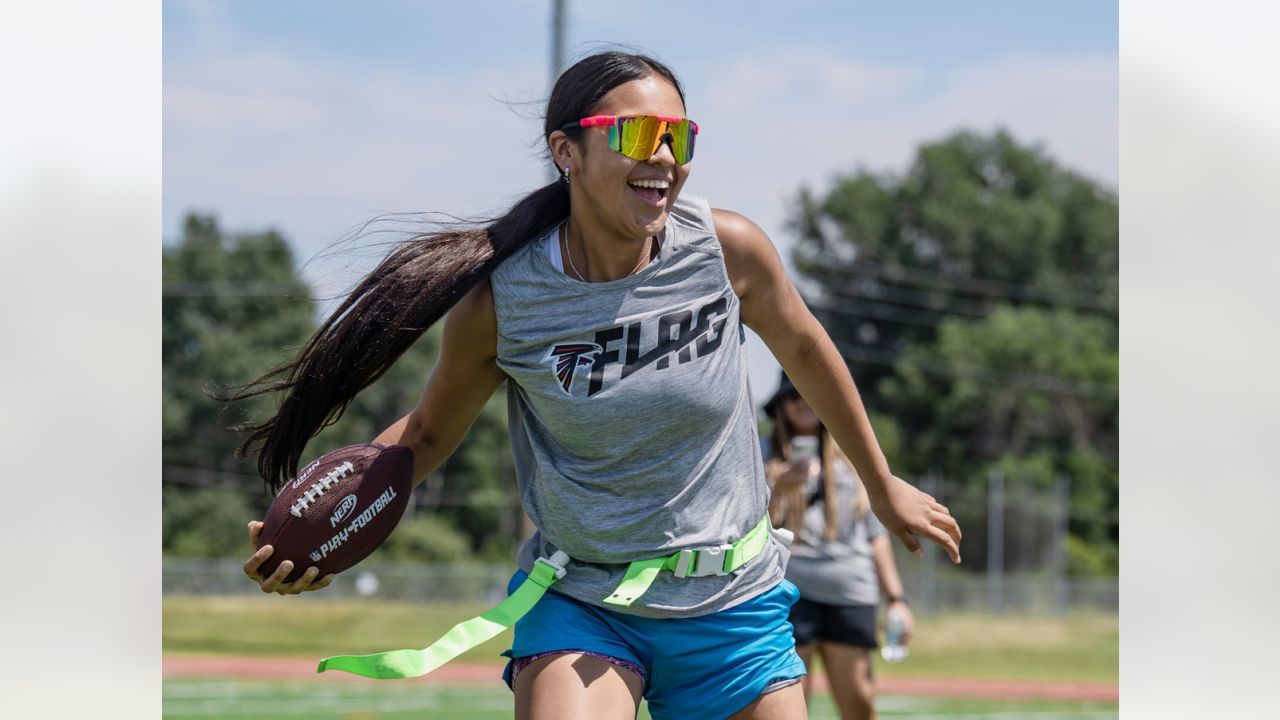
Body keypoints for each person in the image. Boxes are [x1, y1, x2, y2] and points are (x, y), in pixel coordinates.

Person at [233, 51, 961, 720]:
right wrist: (318, 531)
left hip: (732, 603)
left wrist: (881, 481)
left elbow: (805, 345)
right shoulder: (502, 302)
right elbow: (423, 436)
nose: (665, 158)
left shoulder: (724, 249)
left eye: (682, 137)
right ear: (566, 152)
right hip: (587, 600)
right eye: (640, 133)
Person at [764, 374, 915, 720]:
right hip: (789, 592)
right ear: (780, 407)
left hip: (850, 592)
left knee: (859, 701)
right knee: (789, 706)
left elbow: (875, 534)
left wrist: (897, 599)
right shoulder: (760, 452)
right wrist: (780, 487)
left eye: (808, 395)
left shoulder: (854, 457)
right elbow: (748, 526)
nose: (802, 403)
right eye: (792, 397)